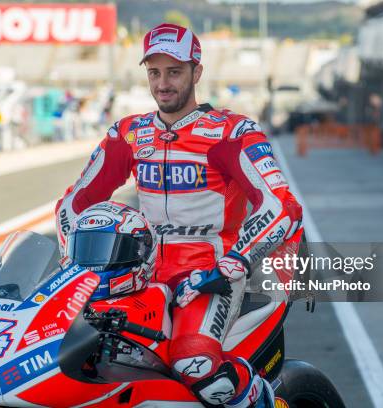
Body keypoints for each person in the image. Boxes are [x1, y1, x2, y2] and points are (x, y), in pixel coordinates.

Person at [55, 23, 302, 407]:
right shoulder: (130, 133)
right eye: (154, 72)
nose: (163, 83)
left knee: (196, 365)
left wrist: (235, 262)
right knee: (81, 358)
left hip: (208, 275)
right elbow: (73, 203)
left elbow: (282, 204)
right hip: (138, 277)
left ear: (196, 72)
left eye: (174, 72)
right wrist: (72, 258)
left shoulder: (231, 132)